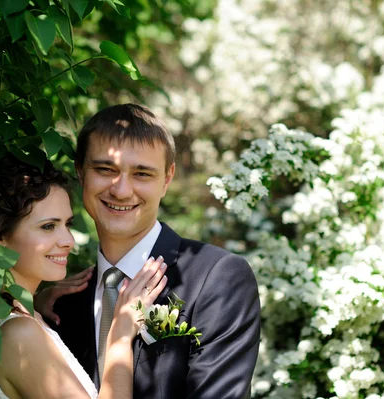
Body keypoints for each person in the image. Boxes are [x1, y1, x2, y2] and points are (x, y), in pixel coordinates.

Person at [36, 104, 261, 399]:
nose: (121, 190)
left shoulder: (217, 278)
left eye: (142, 174)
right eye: (106, 169)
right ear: (80, 172)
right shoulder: (59, 306)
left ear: (167, 179)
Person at [0, 154, 167, 398]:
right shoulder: (20, 335)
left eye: (67, 224)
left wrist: (33, 301)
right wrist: (120, 334)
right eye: (48, 226)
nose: (68, 241)